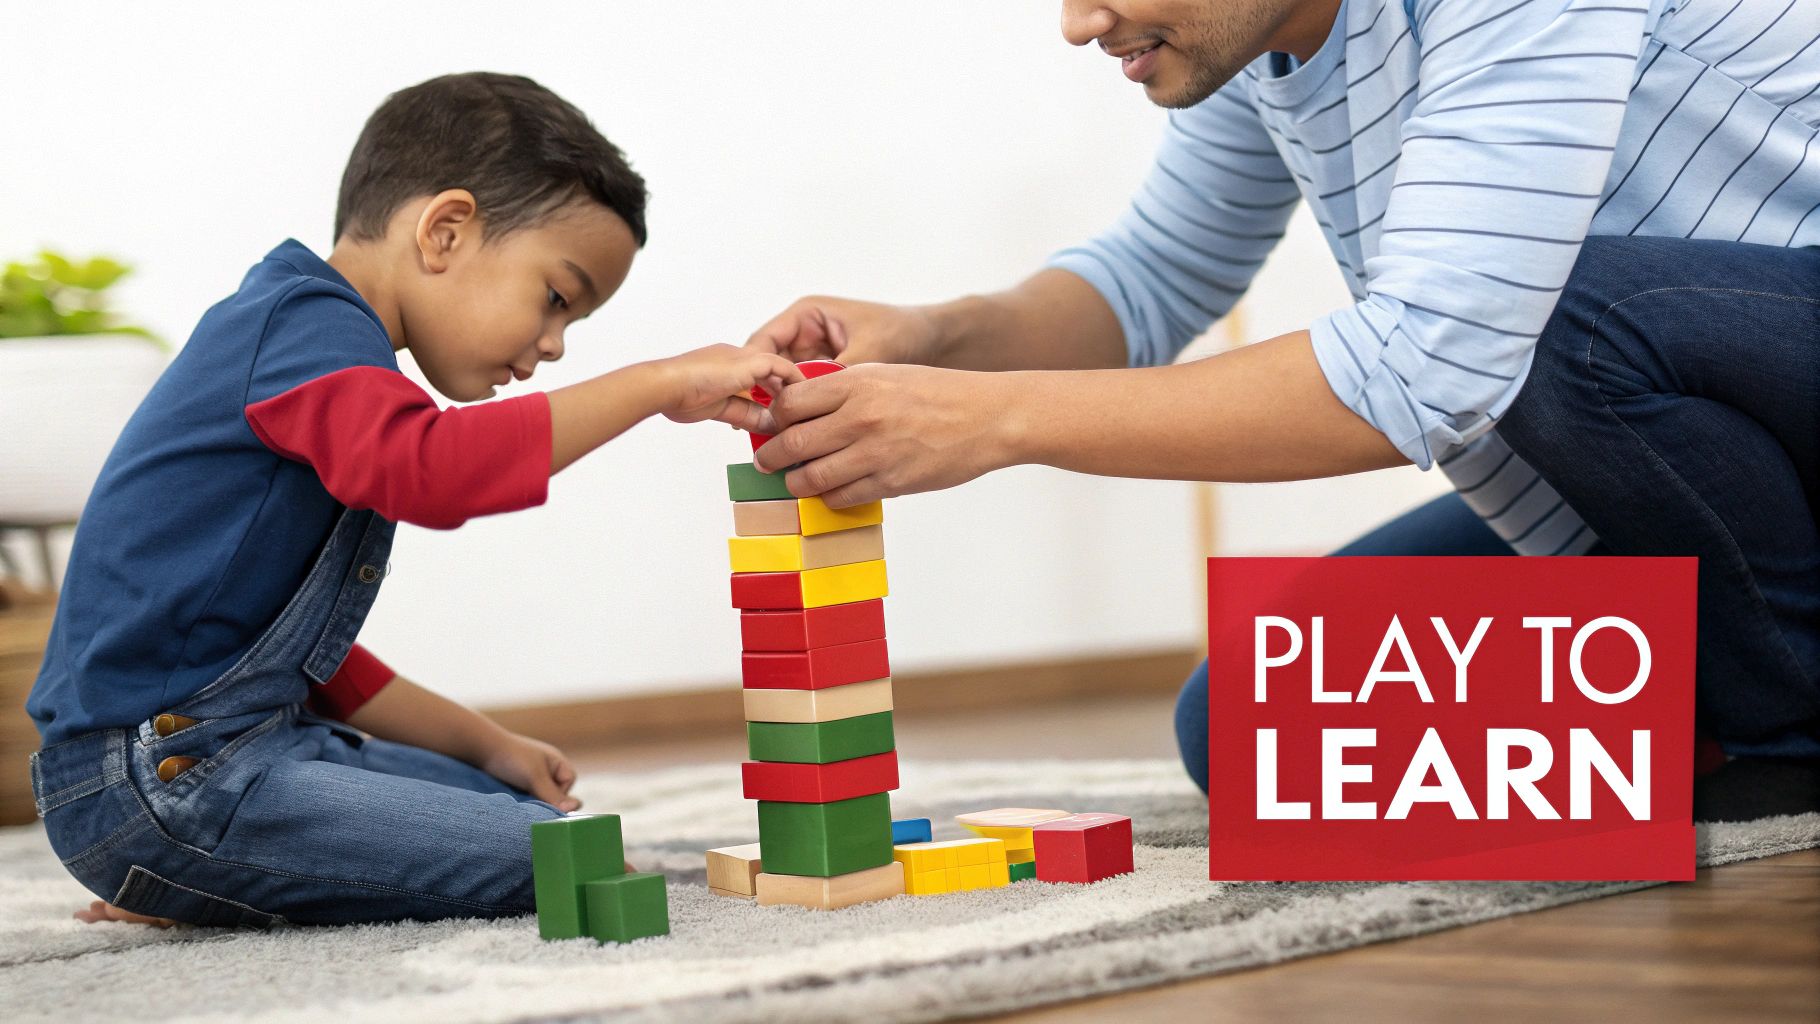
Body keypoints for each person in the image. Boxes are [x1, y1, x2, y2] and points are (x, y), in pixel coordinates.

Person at [742, 0, 1820, 795]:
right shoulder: (1263, 47)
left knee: (1548, 320)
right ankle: (1705, 694)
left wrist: (990, 423)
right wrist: (934, 341)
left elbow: (1430, 363)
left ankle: (1789, 738)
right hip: (1705, 483)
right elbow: (1151, 277)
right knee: (1248, 725)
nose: (1077, 23)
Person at [27, 72, 800, 927]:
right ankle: (182, 871)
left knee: (520, 808)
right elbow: (431, 470)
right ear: (445, 231)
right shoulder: (302, 328)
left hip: (235, 750)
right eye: (556, 298)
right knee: (559, 856)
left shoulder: (318, 347)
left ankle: (199, 876)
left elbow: (309, 663)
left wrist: (489, 744)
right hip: (157, 783)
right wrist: (659, 383)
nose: (552, 345)